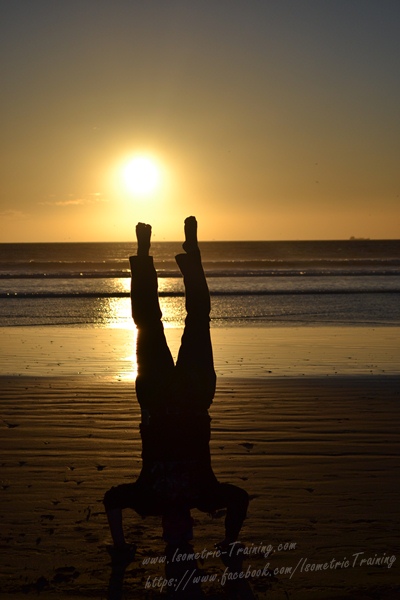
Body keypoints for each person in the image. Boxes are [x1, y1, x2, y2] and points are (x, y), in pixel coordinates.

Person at [103, 217, 248, 560]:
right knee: (199, 317)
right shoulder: (206, 496)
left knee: (147, 322)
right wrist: (229, 541)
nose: (176, 531)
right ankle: (192, 254)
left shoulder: (148, 500)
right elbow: (239, 498)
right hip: (196, 397)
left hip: (155, 398)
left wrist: (121, 546)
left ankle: (142, 253)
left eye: (170, 536)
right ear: (192, 529)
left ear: (163, 528)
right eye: (184, 535)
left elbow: (111, 500)